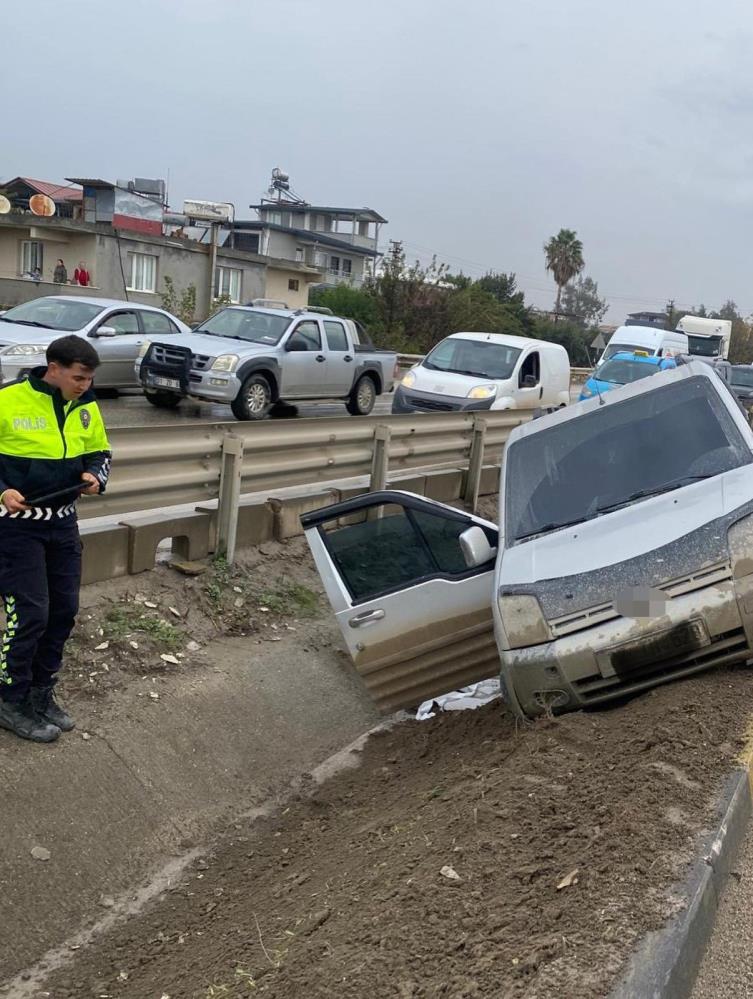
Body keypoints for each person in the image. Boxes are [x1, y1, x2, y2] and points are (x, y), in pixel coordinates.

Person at [0, 335, 111, 742]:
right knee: (31, 614)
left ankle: (40, 693)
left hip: (63, 524)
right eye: (79, 377)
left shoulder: (86, 407)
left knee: (63, 612)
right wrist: (2, 491)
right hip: (15, 529)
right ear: (54, 369)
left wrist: (96, 476)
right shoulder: (8, 400)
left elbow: (101, 453)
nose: (85, 384)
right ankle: (9, 700)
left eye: (89, 378)